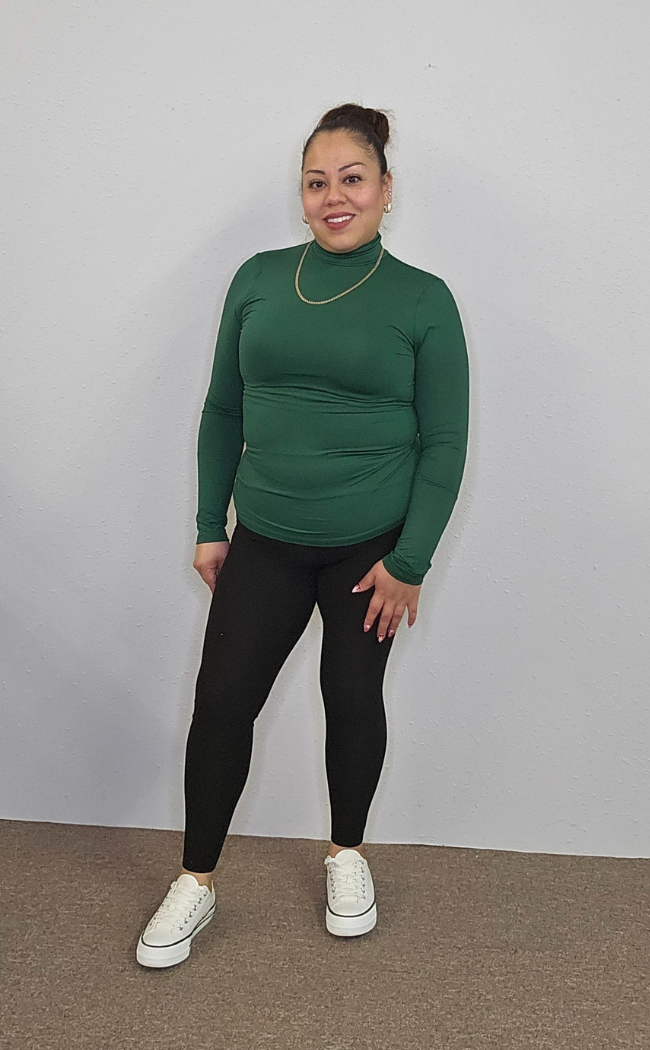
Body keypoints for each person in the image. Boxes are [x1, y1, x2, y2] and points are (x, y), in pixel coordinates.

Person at [137, 103, 470, 968]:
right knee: (221, 707)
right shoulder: (257, 277)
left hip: (371, 550)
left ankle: (347, 854)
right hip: (267, 540)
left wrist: (410, 562)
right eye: (316, 181)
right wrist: (211, 527)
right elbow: (221, 409)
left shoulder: (425, 301)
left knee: (351, 699)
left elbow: (445, 443)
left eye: (352, 179)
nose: (333, 197)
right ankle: (197, 879)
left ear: (386, 189)